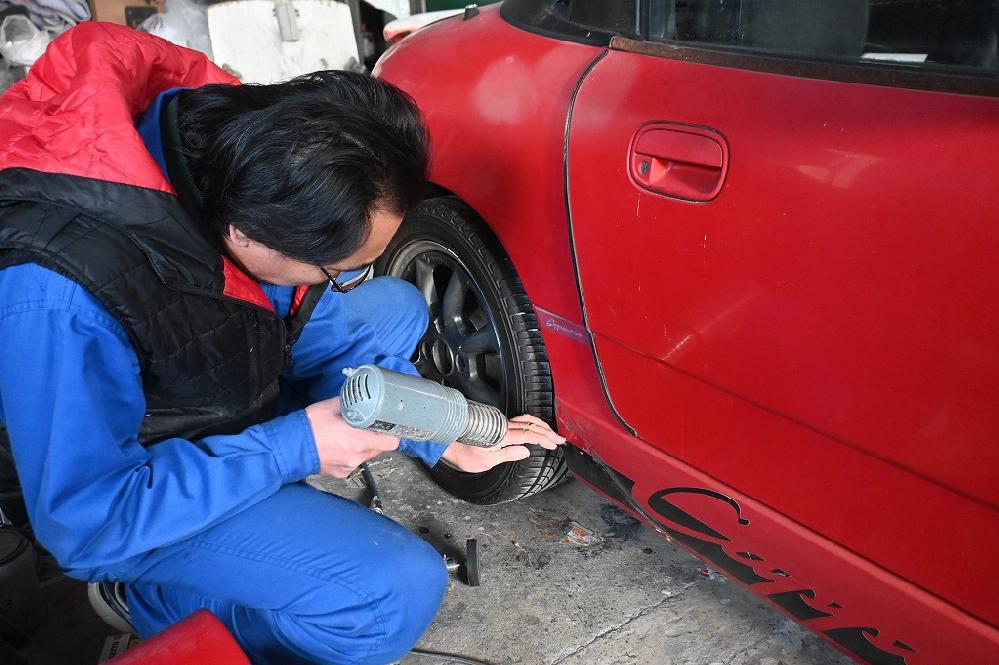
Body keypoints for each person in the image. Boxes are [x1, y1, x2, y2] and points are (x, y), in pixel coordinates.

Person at [0, 23, 564, 665]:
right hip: (122, 491)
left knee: (395, 307)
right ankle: (151, 596)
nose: (343, 283)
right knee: (390, 592)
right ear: (248, 233)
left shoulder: (235, 155)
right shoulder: (58, 298)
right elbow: (87, 523)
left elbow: (304, 318)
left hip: (194, 372)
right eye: (337, 270)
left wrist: (442, 432)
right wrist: (295, 446)